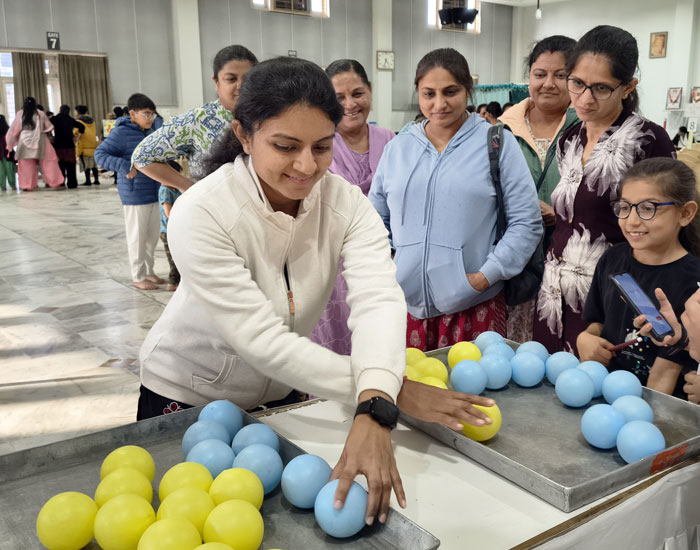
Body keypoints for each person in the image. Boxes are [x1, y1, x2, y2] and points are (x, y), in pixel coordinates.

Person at [138, 57, 496, 524]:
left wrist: (376, 396)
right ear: (243, 134)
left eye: (322, 146)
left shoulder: (344, 202)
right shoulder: (203, 212)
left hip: (284, 390)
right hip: (191, 393)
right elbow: (260, 340)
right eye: (285, 146)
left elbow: (378, 299)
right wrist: (386, 394)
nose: (307, 166)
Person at [369, 48, 542, 351]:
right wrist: (392, 264)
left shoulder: (497, 144)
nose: (439, 104)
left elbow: (526, 223)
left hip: (474, 305)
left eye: (450, 92)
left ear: (468, 90)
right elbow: (374, 220)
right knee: (407, 381)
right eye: (429, 94)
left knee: (471, 382)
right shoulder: (398, 148)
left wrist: (484, 277)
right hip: (405, 307)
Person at [533, 25, 675, 355]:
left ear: (628, 88)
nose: (585, 98)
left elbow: (665, 230)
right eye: (577, 83)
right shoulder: (569, 139)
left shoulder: (648, 141)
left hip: (612, 297)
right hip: (554, 293)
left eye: (601, 88)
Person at [580, 158, 700, 398]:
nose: (631, 221)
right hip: (602, 395)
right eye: (625, 207)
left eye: (647, 208)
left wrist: (635, 413)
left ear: (685, 213)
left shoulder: (692, 281)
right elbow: (597, 321)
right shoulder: (612, 258)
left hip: (649, 406)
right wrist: (586, 339)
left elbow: (665, 374)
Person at [309, 59, 395, 355]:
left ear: (370, 90)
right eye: (339, 97)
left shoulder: (392, 141)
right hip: (330, 265)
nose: (349, 105)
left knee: (378, 342)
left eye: (357, 93)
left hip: (382, 258)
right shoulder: (318, 145)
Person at [499, 35, 579, 342]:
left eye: (561, 75)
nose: (548, 84)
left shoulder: (587, 128)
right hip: (517, 261)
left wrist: (560, 214)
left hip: (571, 260)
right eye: (540, 74)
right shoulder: (502, 129)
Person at [132, 45, 258, 191]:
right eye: (231, 79)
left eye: (248, 79)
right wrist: (191, 188)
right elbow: (142, 156)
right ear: (216, 83)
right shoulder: (198, 120)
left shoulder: (268, 115)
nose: (240, 86)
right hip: (214, 202)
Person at [94, 93, 164, 290]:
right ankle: (138, 275)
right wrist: (125, 166)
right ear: (133, 113)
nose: (150, 118)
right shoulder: (121, 133)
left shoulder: (150, 132)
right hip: (135, 193)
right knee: (137, 237)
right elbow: (100, 154)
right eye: (146, 114)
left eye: (152, 115)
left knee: (151, 237)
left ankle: (149, 271)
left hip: (154, 190)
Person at [6, 96, 63, 190]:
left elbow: (15, 129)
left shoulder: (20, 114)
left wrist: (10, 143)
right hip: (41, 139)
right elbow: (48, 127)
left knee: (25, 165)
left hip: (24, 141)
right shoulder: (40, 113)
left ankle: (27, 185)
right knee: (49, 162)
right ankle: (55, 183)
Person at [51, 105, 83, 189]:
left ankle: (61, 182)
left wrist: (50, 136)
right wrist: (77, 137)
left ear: (60, 110)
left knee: (60, 165)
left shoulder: (55, 119)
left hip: (59, 145)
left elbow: (47, 126)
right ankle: (72, 183)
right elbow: (81, 126)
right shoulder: (70, 119)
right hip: (69, 145)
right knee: (71, 165)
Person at [159, 183, 181, 291]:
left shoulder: (175, 189)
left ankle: (178, 281)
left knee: (179, 257)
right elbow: (168, 212)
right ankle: (173, 282)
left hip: (176, 229)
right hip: (168, 231)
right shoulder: (165, 190)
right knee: (173, 259)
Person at [75, 105, 99, 185]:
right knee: (94, 164)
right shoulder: (92, 121)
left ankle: (88, 180)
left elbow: (76, 132)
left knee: (86, 164)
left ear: (78, 111)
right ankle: (96, 180)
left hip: (83, 144)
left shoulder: (78, 121)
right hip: (93, 144)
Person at [0, 115, 16, 191]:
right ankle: (13, 185)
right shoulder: (8, 129)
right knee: (10, 169)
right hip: (8, 152)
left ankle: (3, 186)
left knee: (1, 171)